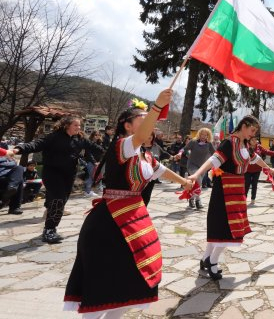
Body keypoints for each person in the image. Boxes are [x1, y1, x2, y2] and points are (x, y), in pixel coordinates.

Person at [64, 92, 193, 318]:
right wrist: (158, 107)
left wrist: (185, 182)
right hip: (109, 224)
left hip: (133, 220)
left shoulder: (145, 156)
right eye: (143, 121)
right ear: (128, 125)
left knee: (129, 284)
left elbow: (161, 171)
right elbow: (142, 137)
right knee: (103, 283)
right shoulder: (123, 146)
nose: (150, 127)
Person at [188, 115, 272, 280]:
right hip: (224, 190)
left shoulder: (245, 144)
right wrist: (197, 174)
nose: (253, 134)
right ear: (244, 125)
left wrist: (269, 169)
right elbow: (213, 160)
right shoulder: (229, 143)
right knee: (225, 227)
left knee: (224, 226)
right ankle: (213, 261)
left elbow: (256, 159)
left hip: (238, 189)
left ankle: (206, 258)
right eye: (252, 130)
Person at [14, 116, 105, 243]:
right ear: (67, 125)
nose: (79, 128)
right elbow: (36, 144)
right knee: (58, 199)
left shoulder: (79, 139)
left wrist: (114, 152)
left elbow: (97, 148)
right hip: (52, 173)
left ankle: (50, 219)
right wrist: (18, 149)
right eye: (76, 125)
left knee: (61, 200)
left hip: (69, 175)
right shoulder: (54, 137)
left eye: (79, 126)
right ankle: (49, 230)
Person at [180, 128, 215, 209]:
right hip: (192, 164)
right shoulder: (193, 142)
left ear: (208, 136)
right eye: (202, 134)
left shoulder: (209, 144)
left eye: (205, 135)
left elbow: (215, 154)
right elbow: (185, 149)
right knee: (198, 180)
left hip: (203, 167)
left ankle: (191, 199)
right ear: (199, 134)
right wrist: (188, 154)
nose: (203, 136)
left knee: (197, 183)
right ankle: (198, 200)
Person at [244, 137, 274, 204]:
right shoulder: (246, 147)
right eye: (253, 140)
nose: (255, 141)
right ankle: (244, 199)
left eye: (255, 139)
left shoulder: (259, 147)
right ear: (249, 141)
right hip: (247, 169)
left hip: (257, 169)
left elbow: (267, 152)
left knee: (255, 184)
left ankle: (253, 199)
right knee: (247, 184)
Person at [83, 131, 104, 197]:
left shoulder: (99, 143)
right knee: (90, 176)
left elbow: (102, 152)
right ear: (92, 135)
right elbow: (88, 153)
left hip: (97, 162)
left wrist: (99, 161)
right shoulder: (89, 142)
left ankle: (88, 190)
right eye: (95, 135)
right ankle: (87, 191)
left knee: (94, 176)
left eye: (98, 135)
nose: (97, 136)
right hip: (91, 162)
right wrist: (94, 161)